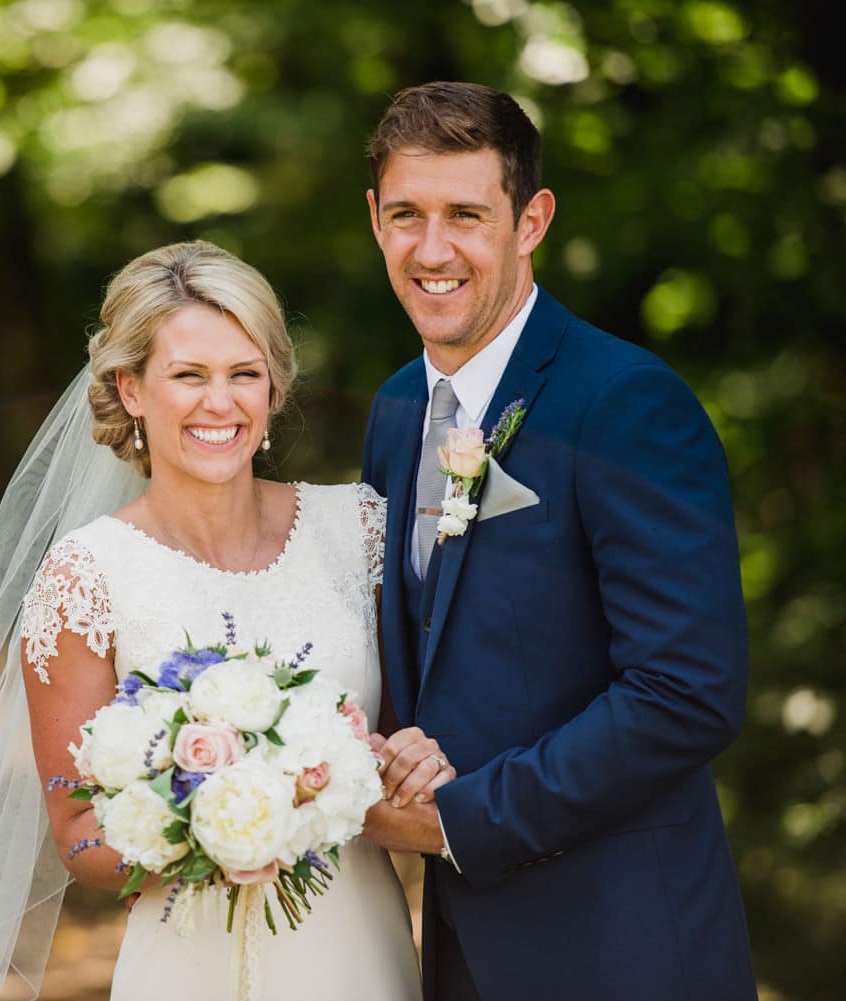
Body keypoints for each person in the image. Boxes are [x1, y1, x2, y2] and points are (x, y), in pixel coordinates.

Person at [0, 240, 438, 1001]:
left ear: (273, 388)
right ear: (130, 389)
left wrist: (408, 763)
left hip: (358, 955)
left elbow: (404, 737)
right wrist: (226, 821)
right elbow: (80, 837)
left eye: (243, 374)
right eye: (188, 375)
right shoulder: (85, 575)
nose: (218, 403)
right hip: (185, 968)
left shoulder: (356, 530)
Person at [357, 81, 755, 1001]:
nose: (432, 249)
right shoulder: (394, 411)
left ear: (530, 220)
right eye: (407, 214)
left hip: (623, 945)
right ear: (374, 219)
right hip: (460, 948)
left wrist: (461, 818)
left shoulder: (623, 401)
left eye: (466, 214)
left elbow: (687, 691)